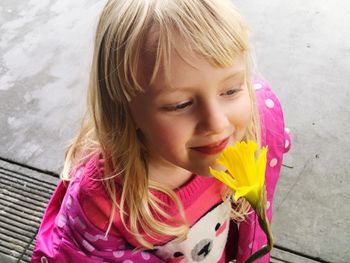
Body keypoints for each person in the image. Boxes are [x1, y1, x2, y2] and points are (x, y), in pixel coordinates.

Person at [31, 0, 291, 262]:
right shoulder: (104, 207)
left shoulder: (247, 131)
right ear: (123, 109)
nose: (217, 123)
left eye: (232, 90)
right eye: (180, 104)